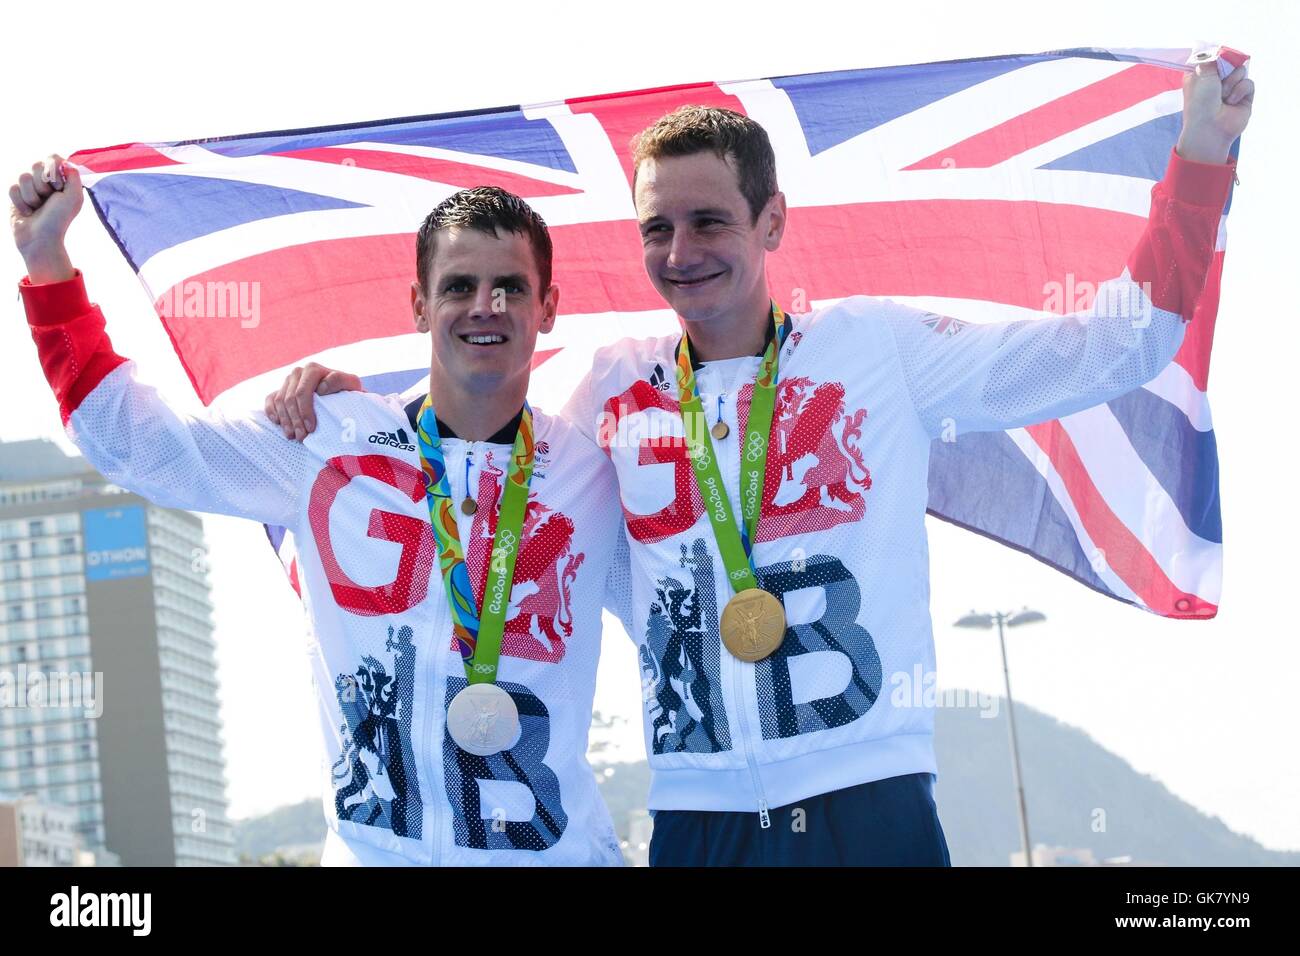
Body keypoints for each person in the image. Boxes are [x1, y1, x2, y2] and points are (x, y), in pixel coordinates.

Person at [272, 58, 1253, 866]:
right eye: (656, 227)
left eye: (708, 222)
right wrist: (347, 407)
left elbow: (1114, 344)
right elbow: (476, 452)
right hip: (699, 822)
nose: (679, 249)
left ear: (771, 223)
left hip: (871, 803)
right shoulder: (605, 389)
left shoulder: (878, 350)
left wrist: (1200, 160)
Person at [10, 170, 631, 865]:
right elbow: (137, 445)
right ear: (420, 306)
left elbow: (698, 607)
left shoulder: (597, 472)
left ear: (547, 306)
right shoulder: (326, 439)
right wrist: (47, 265)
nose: (484, 305)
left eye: (510, 287)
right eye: (458, 286)